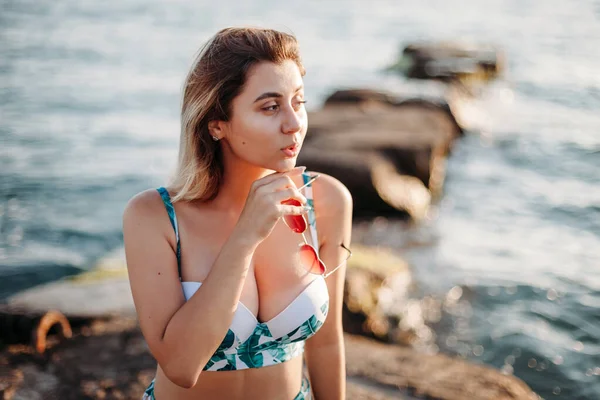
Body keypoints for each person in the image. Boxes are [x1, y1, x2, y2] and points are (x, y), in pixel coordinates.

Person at [123, 27, 353, 400]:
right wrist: (245, 236)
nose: (294, 123)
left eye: (298, 101)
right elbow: (181, 366)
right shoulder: (153, 217)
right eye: (270, 106)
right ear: (217, 124)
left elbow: (326, 343)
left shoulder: (326, 201)